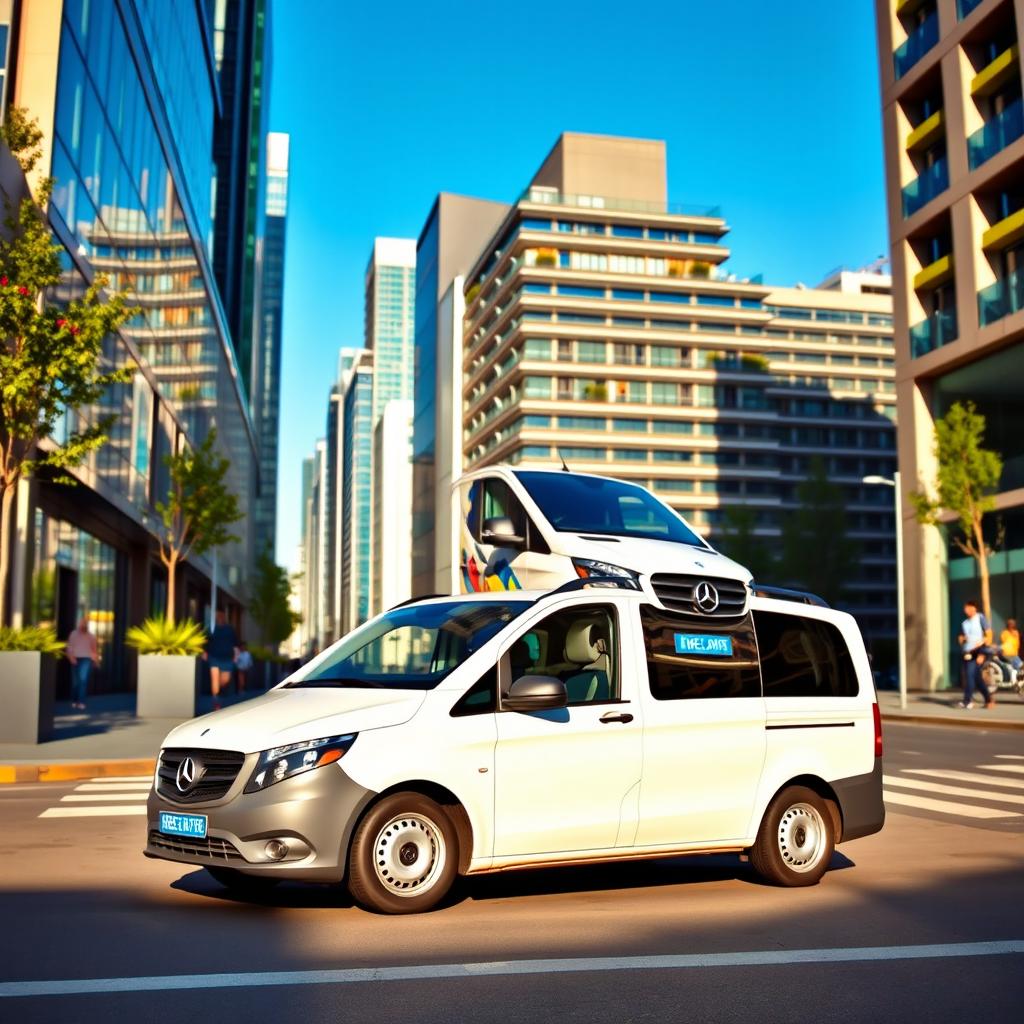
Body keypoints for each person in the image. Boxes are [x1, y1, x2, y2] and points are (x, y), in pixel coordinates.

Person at [957, 599, 995, 710]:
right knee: (977, 678)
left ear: (974, 608)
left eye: (968, 607)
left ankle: (967, 701)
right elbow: (960, 638)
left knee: (969, 675)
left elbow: (989, 635)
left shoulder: (980, 618)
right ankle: (988, 699)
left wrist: (982, 653)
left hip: (978, 651)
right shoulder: (964, 623)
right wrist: (962, 639)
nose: (966, 610)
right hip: (967, 652)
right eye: (965, 608)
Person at [204, 609, 238, 709]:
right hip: (214, 657)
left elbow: (235, 644)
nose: (219, 617)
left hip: (227, 658)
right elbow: (205, 641)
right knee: (215, 681)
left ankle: (218, 692)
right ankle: (216, 702)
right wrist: (204, 652)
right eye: (217, 615)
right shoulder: (211, 628)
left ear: (224, 616)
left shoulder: (230, 629)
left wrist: (235, 655)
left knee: (225, 681)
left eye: (221, 615)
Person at [66, 615, 98, 710]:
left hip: (86, 659)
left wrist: (95, 660)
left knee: (83, 680)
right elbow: (69, 647)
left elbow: (94, 649)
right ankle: (75, 700)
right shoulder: (73, 634)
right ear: (79, 624)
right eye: (82, 623)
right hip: (75, 658)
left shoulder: (91, 636)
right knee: (75, 682)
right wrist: (71, 658)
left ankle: (81, 702)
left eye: (85, 623)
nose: (83, 625)